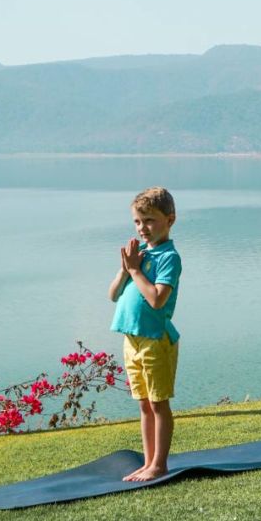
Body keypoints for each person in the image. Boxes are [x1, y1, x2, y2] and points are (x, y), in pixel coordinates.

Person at [109, 187, 183, 481]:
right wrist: (125, 269)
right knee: (143, 403)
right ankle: (147, 460)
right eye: (138, 222)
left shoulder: (169, 257)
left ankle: (159, 464)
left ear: (169, 220)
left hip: (156, 339)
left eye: (150, 221)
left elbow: (156, 300)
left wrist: (136, 270)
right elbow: (113, 295)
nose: (143, 229)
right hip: (132, 339)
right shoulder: (138, 256)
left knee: (158, 403)